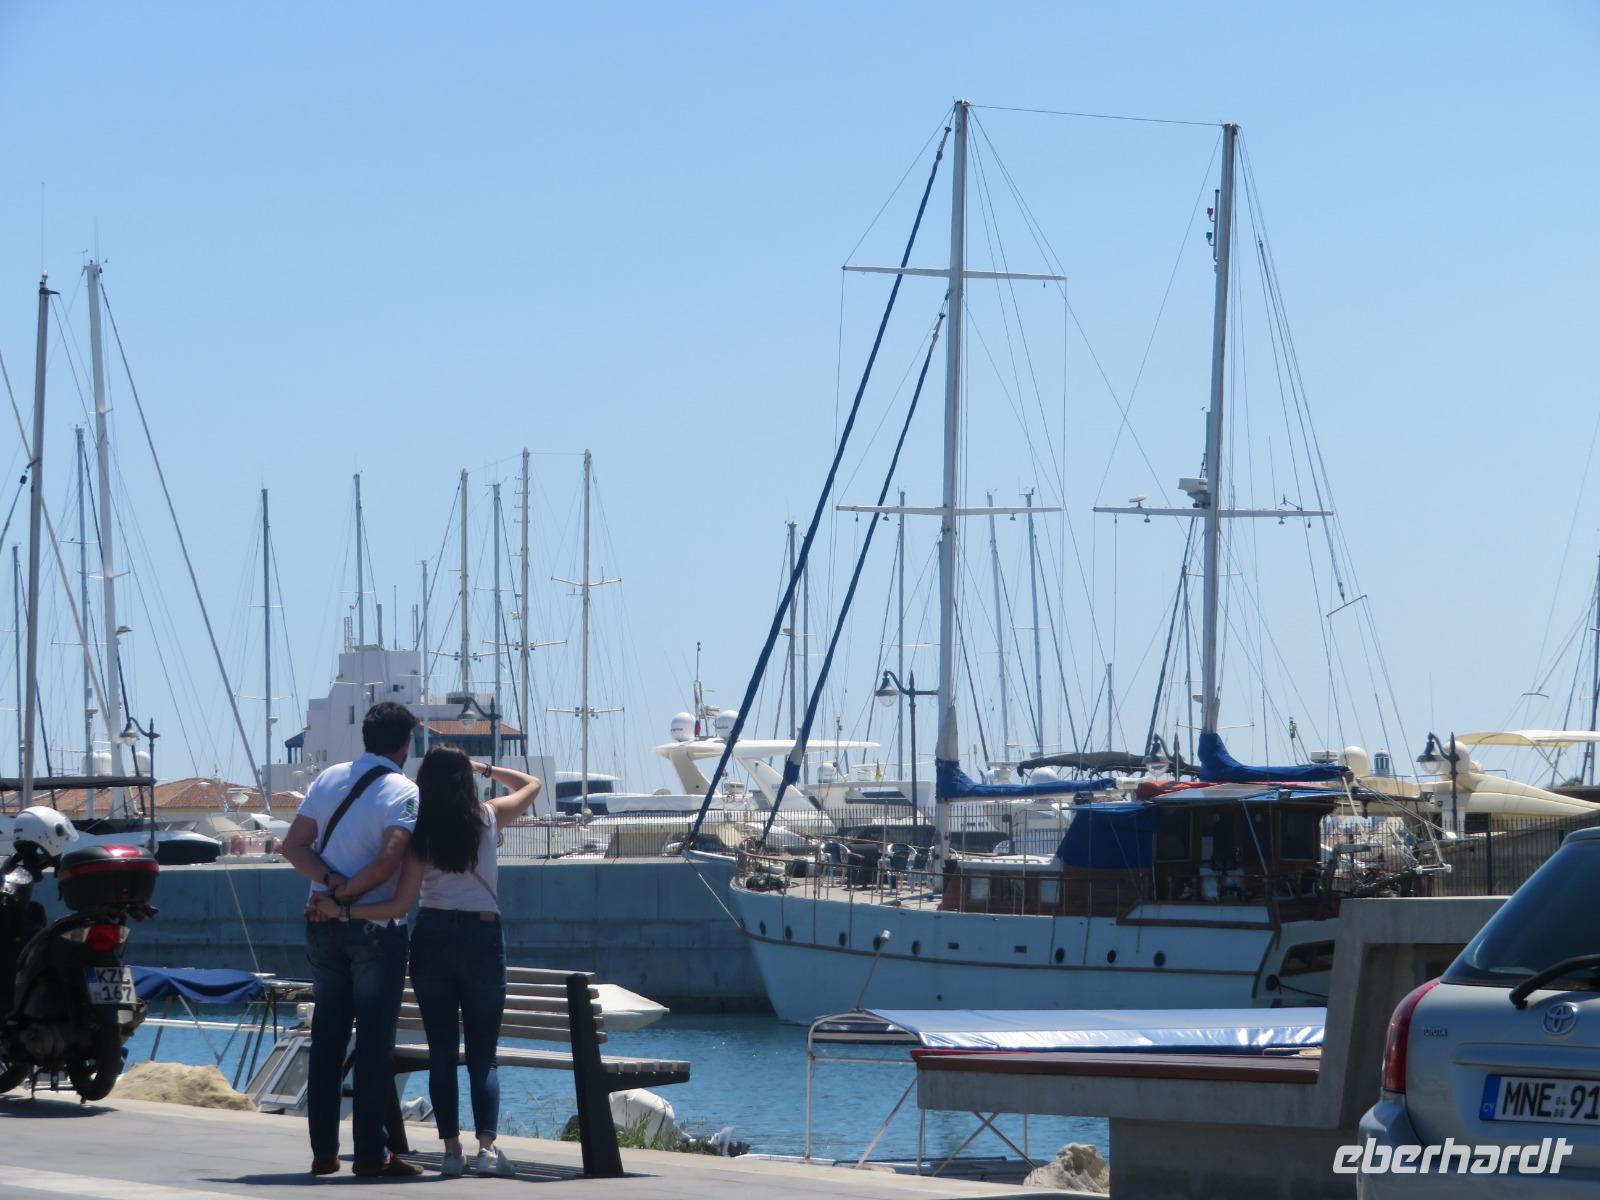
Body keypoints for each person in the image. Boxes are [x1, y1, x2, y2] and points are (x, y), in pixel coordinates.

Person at [315, 746, 540, 1178]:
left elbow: (400, 898)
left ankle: (452, 1151)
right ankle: (487, 1149)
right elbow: (532, 785)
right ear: (466, 780)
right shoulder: (486, 818)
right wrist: (484, 766)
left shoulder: (420, 834)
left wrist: (343, 910)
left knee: (441, 1051)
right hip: (481, 935)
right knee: (482, 1056)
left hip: (432, 938)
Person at [282, 701, 421, 1179]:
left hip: (321, 923)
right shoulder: (404, 790)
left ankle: (324, 1151)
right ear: (405, 744)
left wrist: (330, 884)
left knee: (327, 1040)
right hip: (372, 930)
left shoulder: (329, 778)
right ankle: (369, 1154)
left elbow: (293, 846)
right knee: (374, 1044)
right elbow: (389, 861)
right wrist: (348, 894)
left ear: (365, 736)